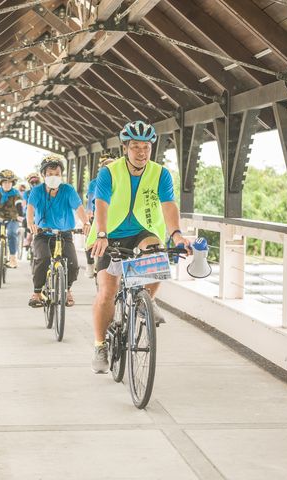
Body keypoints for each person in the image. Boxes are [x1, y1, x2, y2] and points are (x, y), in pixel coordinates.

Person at [86, 120, 192, 374]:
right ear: (125, 148)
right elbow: (101, 203)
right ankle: (101, 345)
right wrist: (101, 233)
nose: (142, 152)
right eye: (135, 147)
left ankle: (146, 301)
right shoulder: (109, 173)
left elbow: (168, 205)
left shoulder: (160, 173)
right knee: (107, 292)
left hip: (143, 231)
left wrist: (176, 234)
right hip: (109, 233)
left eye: (146, 147)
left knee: (157, 256)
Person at [26, 155, 91, 308]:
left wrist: (86, 222)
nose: (53, 177)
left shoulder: (68, 190)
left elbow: (79, 208)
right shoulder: (36, 191)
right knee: (44, 258)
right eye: (50, 174)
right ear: (43, 175)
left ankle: (67, 290)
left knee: (73, 264)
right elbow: (30, 209)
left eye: (57, 174)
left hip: (65, 234)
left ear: (61, 175)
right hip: (43, 234)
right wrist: (31, 223)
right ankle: (36, 293)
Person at [84, 154, 116, 278]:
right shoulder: (95, 182)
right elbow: (92, 197)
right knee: (91, 240)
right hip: (98, 214)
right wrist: (89, 212)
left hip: (115, 216)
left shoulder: (120, 179)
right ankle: (90, 263)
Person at [0, 170, 22, 268]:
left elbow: (18, 204)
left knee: (11, 234)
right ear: (1, 183)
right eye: (5, 182)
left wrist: (20, 215)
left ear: (12, 183)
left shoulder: (16, 193)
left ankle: (13, 258)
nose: (7, 184)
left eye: (9, 182)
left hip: (12, 218)